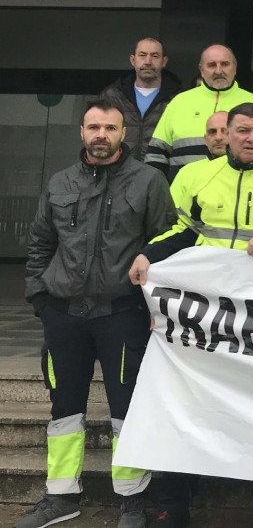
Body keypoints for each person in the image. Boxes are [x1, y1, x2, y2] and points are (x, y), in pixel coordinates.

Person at [130, 102, 253, 528]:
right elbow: (177, 232)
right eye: (242, 131)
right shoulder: (196, 175)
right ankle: (175, 507)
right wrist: (147, 255)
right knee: (183, 406)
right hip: (203, 316)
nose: (250, 138)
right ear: (225, 134)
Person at [19, 100, 173, 528]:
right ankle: (62, 496)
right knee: (63, 408)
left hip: (121, 314)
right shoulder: (60, 182)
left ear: (124, 134)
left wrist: (153, 307)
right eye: (93, 127)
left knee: (127, 409)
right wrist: (41, 300)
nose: (101, 134)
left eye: (110, 127)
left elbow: (165, 244)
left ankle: (132, 501)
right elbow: (40, 244)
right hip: (64, 314)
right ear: (82, 133)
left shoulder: (149, 181)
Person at [145, 44, 253, 179]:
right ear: (201, 69)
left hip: (240, 192)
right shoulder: (180, 102)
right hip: (183, 193)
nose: (218, 71)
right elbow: (156, 155)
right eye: (211, 65)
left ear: (235, 67)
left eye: (225, 64)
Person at [100, 37, 181, 160]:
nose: (148, 61)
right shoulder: (112, 96)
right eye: (142, 55)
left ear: (164, 61)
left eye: (154, 56)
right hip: (118, 172)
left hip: (160, 172)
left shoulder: (178, 98)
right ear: (133, 60)